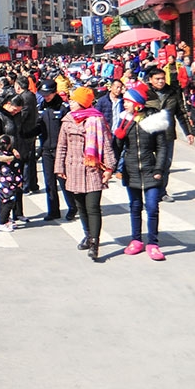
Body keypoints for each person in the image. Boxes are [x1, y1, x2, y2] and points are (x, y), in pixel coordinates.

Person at [54, 86, 115, 261]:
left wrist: (109, 168)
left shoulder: (96, 119)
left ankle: (95, 243)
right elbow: (62, 146)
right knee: (80, 207)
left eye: (73, 100)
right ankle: (88, 235)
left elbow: (106, 145)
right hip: (73, 168)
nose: (70, 102)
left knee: (93, 207)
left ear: (82, 103)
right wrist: (59, 168)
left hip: (92, 168)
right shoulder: (67, 120)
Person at [114, 83, 170, 261]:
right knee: (135, 207)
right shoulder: (124, 120)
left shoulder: (154, 121)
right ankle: (136, 240)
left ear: (137, 103)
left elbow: (162, 147)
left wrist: (159, 169)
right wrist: (111, 166)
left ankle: (153, 243)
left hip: (151, 170)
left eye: (127, 102)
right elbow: (117, 149)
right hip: (131, 170)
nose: (125, 105)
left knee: (152, 207)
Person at [145, 67, 194, 203]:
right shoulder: (144, 92)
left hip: (166, 134)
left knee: (165, 163)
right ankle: (150, 191)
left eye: (162, 78)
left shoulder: (173, 92)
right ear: (150, 80)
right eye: (157, 79)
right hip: (148, 133)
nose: (161, 81)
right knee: (148, 164)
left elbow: (181, 113)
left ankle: (162, 192)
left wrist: (188, 132)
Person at [36, 80, 76, 222]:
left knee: (64, 181)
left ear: (55, 92)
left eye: (48, 94)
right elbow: (38, 127)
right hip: (46, 149)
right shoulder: (41, 106)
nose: (46, 97)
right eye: (44, 94)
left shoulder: (63, 108)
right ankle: (53, 210)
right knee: (49, 182)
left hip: (61, 150)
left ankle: (72, 207)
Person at [0, 95, 28, 226]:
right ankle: (3, 218)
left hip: (17, 155)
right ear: (8, 104)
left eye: (18, 111)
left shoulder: (16, 115)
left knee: (18, 184)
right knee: (5, 188)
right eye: (15, 109)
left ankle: (17, 213)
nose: (16, 112)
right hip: (4, 157)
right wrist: (9, 150)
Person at [0, 135, 25, 232]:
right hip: (7, 185)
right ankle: (1, 222)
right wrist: (19, 181)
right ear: (9, 145)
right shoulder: (8, 159)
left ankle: (5, 220)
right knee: (9, 203)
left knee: (2, 201)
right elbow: (12, 173)